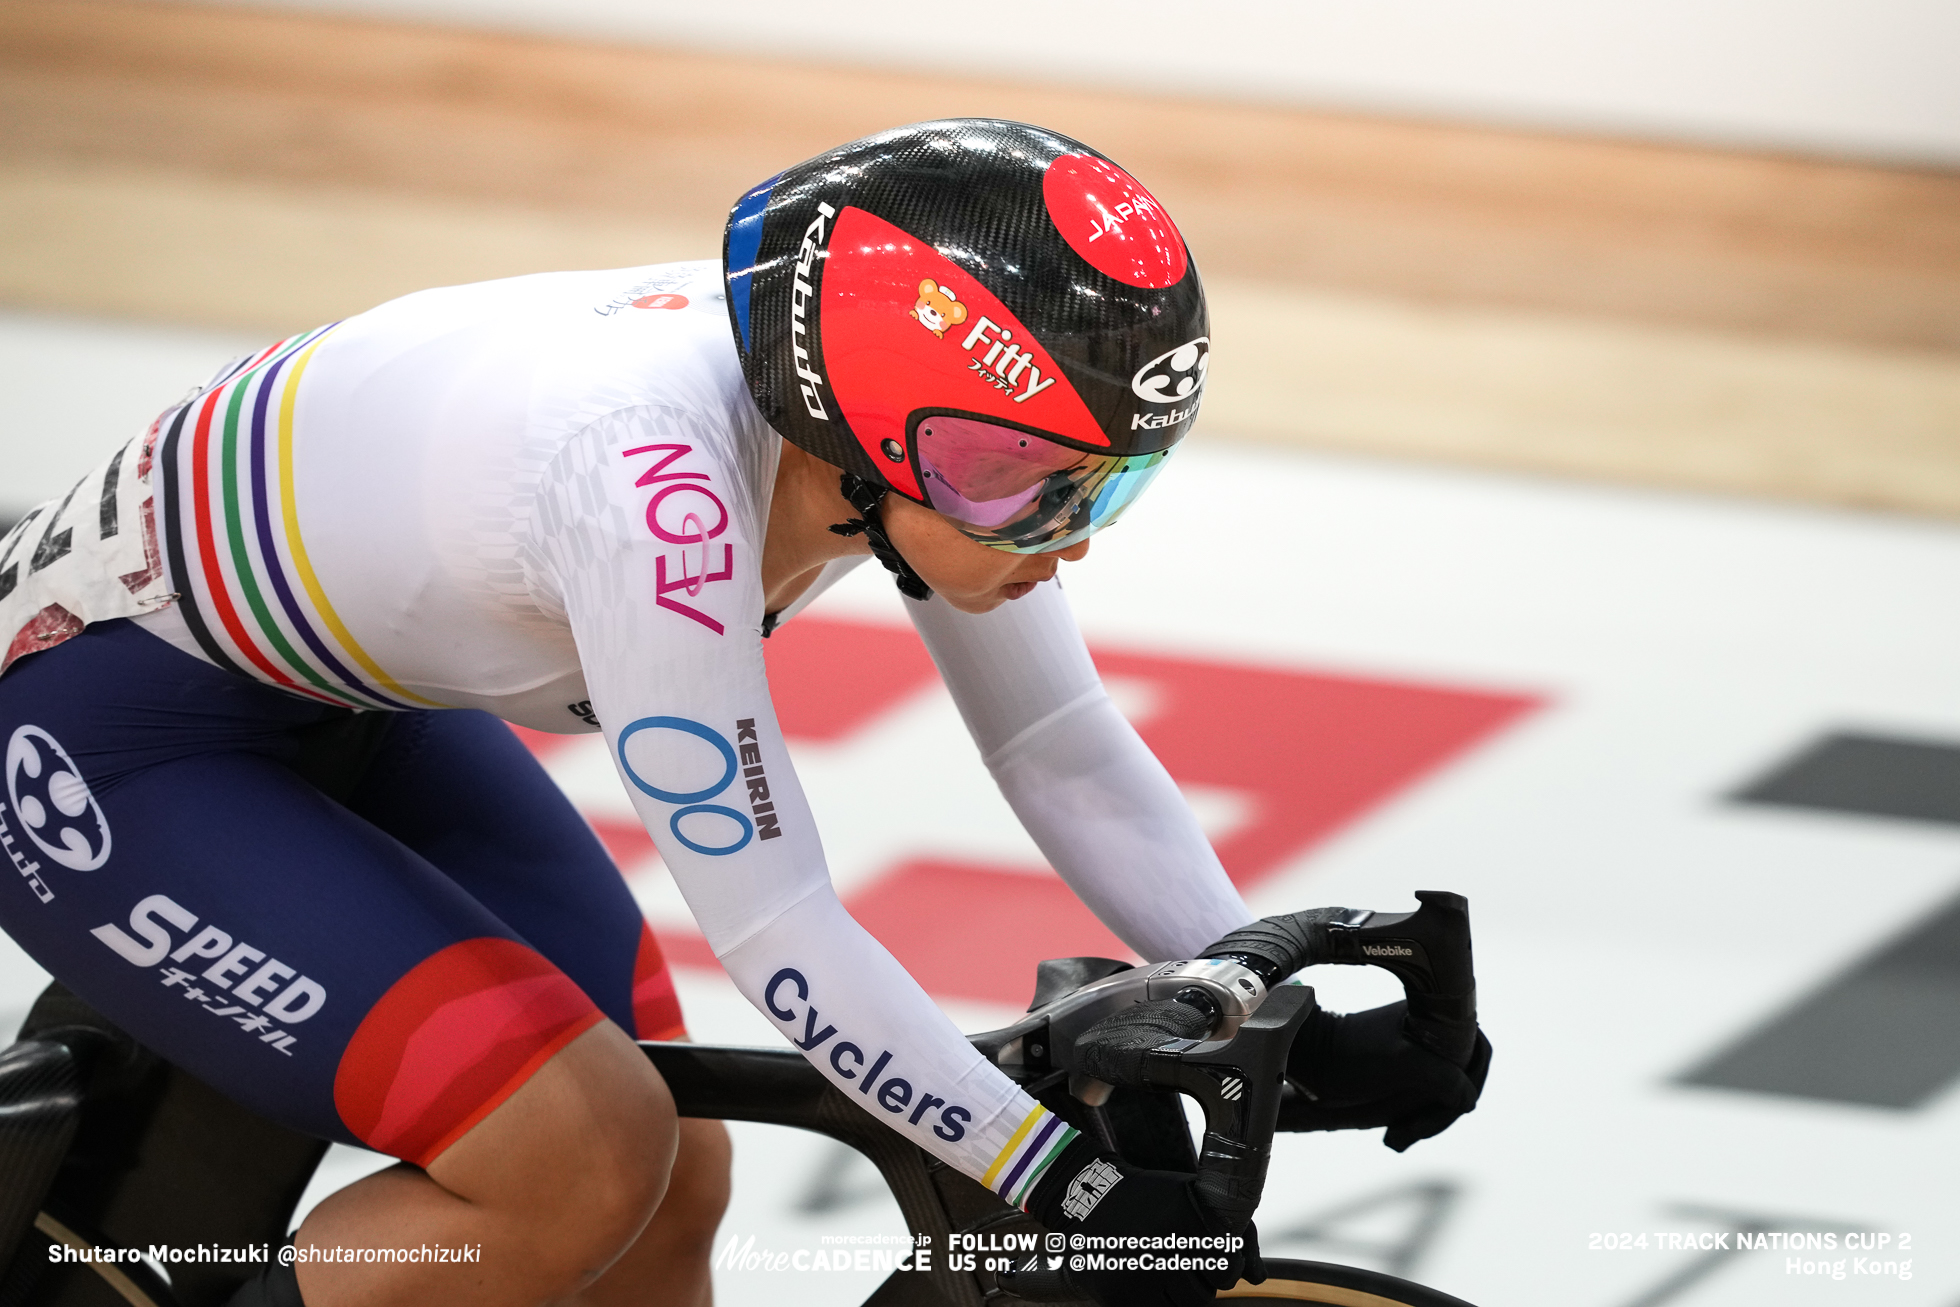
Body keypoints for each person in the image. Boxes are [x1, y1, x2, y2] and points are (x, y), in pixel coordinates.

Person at [0, 120, 1485, 1307]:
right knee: (576, 1160)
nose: (1069, 533)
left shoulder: (878, 424)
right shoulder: (652, 491)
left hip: (335, 693)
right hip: (116, 734)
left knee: (675, 1181)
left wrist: (1256, 1000)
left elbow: (1061, 748)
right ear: (861, 435)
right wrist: (1049, 1172)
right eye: (1030, 483)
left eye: (1114, 481)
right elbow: (777, 931)